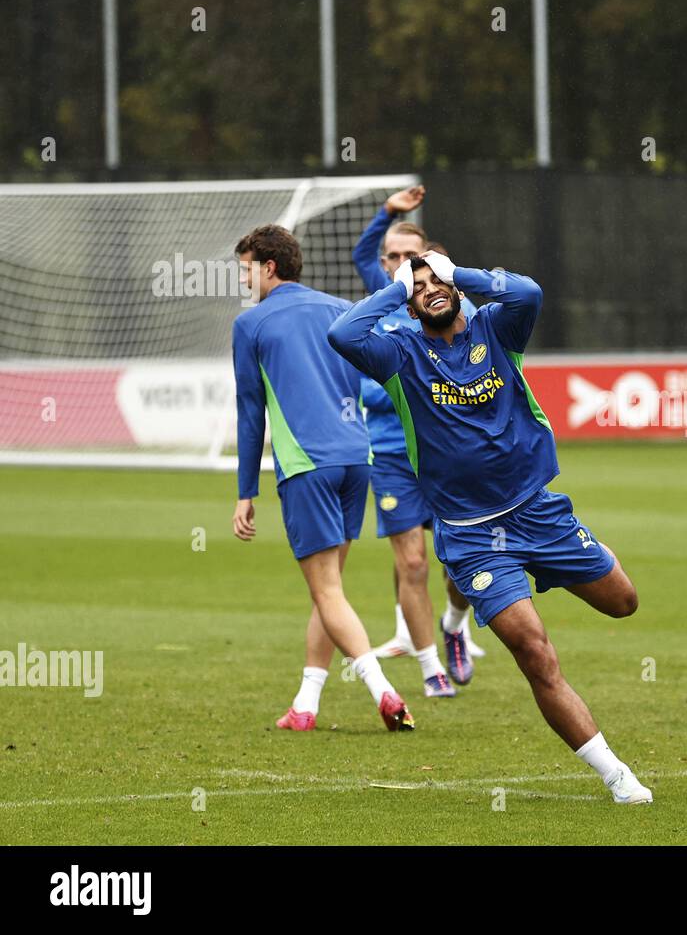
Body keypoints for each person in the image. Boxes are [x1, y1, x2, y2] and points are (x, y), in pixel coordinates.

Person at [327, 250, 652, 803]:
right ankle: (617, 777)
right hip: (474, 537)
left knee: (623, 602)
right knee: (536, 652)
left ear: (454, 285)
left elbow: (528, 291)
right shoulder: (399, 352)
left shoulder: (496, 328)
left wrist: (458, 273)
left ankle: (482, 607)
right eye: (418, 285)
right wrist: (397, 286)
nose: (428, 289)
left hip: (539, 512)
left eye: (436, 280)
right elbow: (343, 332)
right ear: (407, 299)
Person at [230, 224, 414, 732]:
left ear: (268, 267)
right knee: (329, 590)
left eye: (245, 268)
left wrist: (246, 492)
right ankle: (305, 705)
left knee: (327, 590)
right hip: (358, 457)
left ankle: (384, 692)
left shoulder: (251, 325)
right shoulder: (340, 308)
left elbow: (251, 415)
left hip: (306, 463)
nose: (242, 279)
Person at [350, 185, 482, 688]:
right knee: (411, 560)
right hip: (389, 455)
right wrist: (387, 211)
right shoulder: (377, 311)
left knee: (460, 563)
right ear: (386, 266)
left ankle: (454, 625)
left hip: (445, 457)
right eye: (396, 257)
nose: (404, 264)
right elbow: (375, 390)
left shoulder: (444, 312)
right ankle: (431, 670)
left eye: (414, 256)